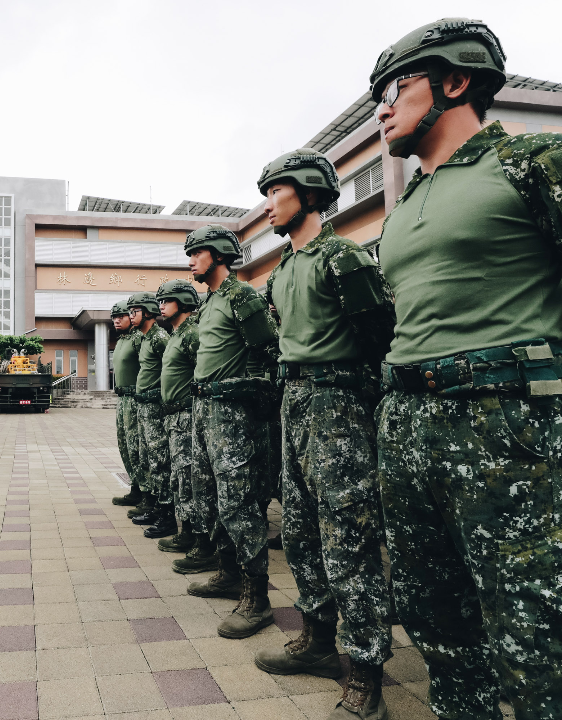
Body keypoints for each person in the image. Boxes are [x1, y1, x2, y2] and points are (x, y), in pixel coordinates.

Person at [372, 18, 562, 719]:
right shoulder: (409, 202)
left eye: (396, 87)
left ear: (455, 82)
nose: (384, 107)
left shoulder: (532, 158)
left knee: (535, 634)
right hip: (409, 424)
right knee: (437, 625)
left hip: (505, 427)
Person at [254, 149, 396, 720]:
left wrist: (356, 401)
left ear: (310, 193)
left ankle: (365, 671)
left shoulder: (342, 257)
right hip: (295, 402)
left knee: (349, 536)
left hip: (337, 404)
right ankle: (318, 638)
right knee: (303, 529)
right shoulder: (284, 268)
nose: (268, 205)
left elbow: (380, 337)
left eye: (276, 192)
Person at [183, 224, 280, 639]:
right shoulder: (210, 304)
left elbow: (269, 351)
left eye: (196, 252)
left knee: (239, 503)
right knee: (210, 496)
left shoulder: (242, 297)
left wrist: (248, 392)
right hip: (205, 409)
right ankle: (226, 572)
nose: (190, 260)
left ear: (219, 253)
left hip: (233, 414)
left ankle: (256, 599)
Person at [154, 281, 217, 566]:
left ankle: (202, 540)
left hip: (187, 416)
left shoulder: (192, 333)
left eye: (166, 301)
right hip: (174, 417)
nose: (161, 306)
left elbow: (205, 372)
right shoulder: (176, 334)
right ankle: (188, 531)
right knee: (180, 478)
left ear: (181, 302)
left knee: (193, 478)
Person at [127, 292, 173, 538]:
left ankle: (167, 516)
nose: (130, 315)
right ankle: (156, 506)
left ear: (146, 312)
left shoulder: (159, 337)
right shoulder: (144, 339)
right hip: (143, 406)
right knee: (147, 459)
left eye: (134, 311)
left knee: (159, 461)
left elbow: (175, 368)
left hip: (156, 407)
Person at [110, 301, 147, 508]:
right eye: (114, 317)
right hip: (122, 399)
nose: (117, 320)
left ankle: (145, 491)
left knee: (136, 447)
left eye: (121, 316)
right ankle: (135, 487)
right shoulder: (122, 340)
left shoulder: (138, 339)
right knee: (124, 445)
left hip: (135, 399)